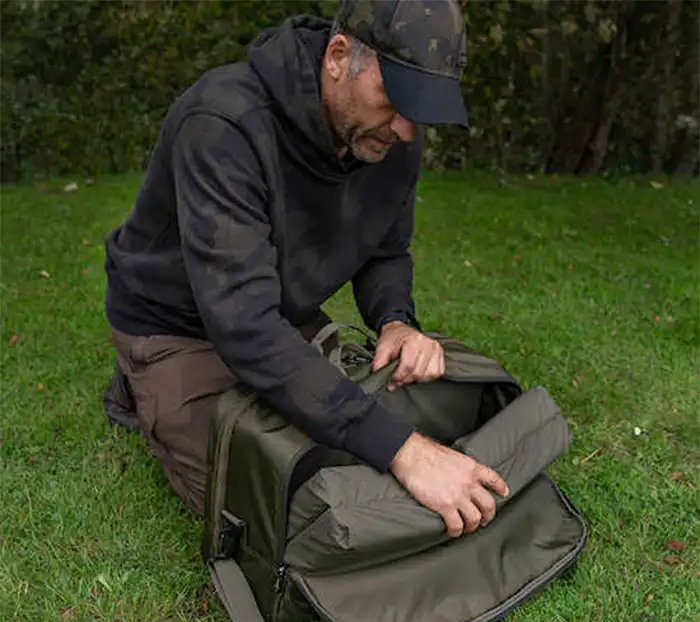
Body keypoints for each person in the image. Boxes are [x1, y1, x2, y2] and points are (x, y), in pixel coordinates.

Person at [103, 0, 509, 537]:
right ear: (339, 57)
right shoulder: (224, 123)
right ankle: (146, 381)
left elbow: (384, 249)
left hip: (276, 313)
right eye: (397, 100)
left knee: (361, 453)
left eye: (422, 109)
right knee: (288, 503)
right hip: (176, 325)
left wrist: (396, 320)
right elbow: (243, 325)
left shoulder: (390, 132)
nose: (408, 131)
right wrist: (405, 452)